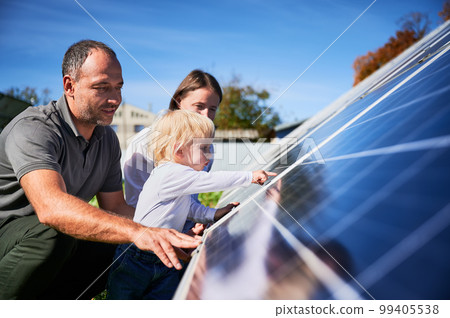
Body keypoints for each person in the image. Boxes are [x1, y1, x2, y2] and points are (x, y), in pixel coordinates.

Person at [0, 40, 200, 300]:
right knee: (52, 233)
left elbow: (116, 208)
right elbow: (52, 209)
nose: (115, 99)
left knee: (115, 241)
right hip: (9, 238)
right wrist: (138, 232)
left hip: (49, 247)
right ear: (69, 86)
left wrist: (175, 229)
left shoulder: (106, 139)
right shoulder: (35, 129)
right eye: (101, 87)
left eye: (118, 87)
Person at [106, 110, 276, 299]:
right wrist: (249, 176)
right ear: (179, 150)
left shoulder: (178, 176)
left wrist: (214, 214)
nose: (208, 156)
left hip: (167, 253)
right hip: (137, 257)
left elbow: (190, 207)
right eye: (203, 149)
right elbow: (211, 180)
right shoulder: (169, 173)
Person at [123, 69, 222, 209]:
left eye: (212, 109)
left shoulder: (207, 147)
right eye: (199, 106)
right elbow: (136, 205)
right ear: (179, 101)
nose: (206, 116)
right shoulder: (145, 143)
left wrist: (199, 222)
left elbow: (191, 200)